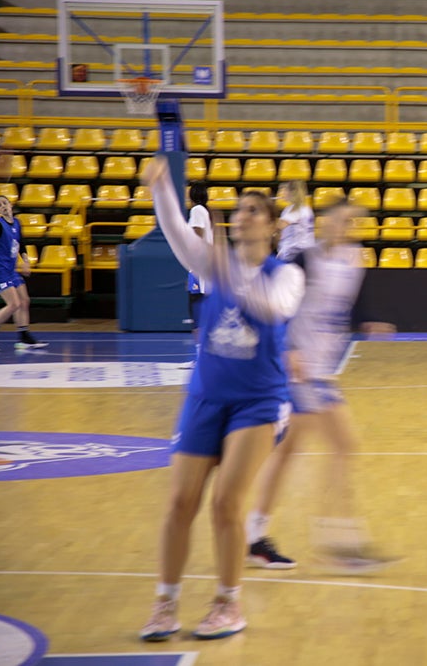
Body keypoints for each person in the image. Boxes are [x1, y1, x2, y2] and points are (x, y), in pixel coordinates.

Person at [138, 156, 305, 641]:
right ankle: (165, 603)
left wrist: (230, 275)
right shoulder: (214, 262)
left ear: (273, 225)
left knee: (226, 503)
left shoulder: (286, 275)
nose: (242, 215)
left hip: (258, 401)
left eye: (254, 210)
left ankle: (227, 604)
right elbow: (173, 228)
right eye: (238, 209)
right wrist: (161, 187)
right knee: (179, 503)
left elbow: (273, 311)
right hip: (206, 396)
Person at [245, 200, 397, 573]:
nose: (348, 227)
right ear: (325, 222)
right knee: (342, 445)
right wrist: (289, 350)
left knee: (292, 453)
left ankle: (256, 534)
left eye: (353, 222)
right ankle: (338, 542)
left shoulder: (354, 259)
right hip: (299, 369)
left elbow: (348, 307)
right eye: (343, 220)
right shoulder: (302, 260)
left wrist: (368, 323)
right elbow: (279, 310)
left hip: (322, 371)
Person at [0, 195, 46, 351]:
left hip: (11, 269)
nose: (2, 206)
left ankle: (24, 336)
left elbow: (21, 244)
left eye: (4, 203)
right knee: (13, 304)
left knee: (24, 301)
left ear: (10, 205)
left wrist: (26, 261)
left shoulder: (17, 223)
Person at [181, 182, 212, 369]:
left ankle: (201, 359)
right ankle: (202, 357)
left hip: (200, 266)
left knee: (196, 310)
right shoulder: (205, 211)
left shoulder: (197, 211)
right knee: (199, 310)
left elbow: (197, 236)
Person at [276, 180, 315, 262]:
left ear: (292, 192)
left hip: (295, 254)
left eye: (285, 190)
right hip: (299, 252)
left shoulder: (297, 209)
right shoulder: (304, 208)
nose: (282, 194)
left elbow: (279, 226)